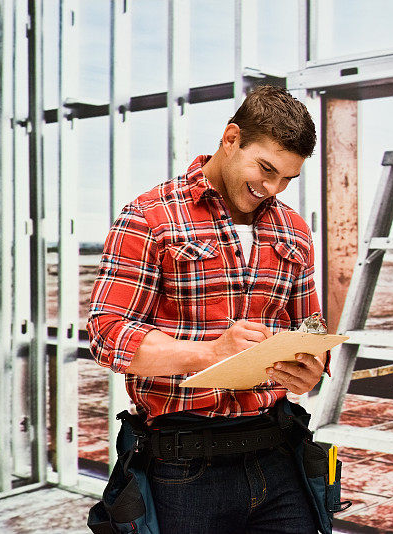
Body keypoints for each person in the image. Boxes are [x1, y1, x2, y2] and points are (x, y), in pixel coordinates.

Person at [88, 85, 326, 533]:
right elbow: (107, 334)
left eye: (287, 179)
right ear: (231, 137)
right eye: (266, 168)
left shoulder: (294, 231)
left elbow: (309, 331)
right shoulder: (150, 216)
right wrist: (213, 353)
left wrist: (311, 368)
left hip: (277, 456)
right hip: (183, 469)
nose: (271, 188)